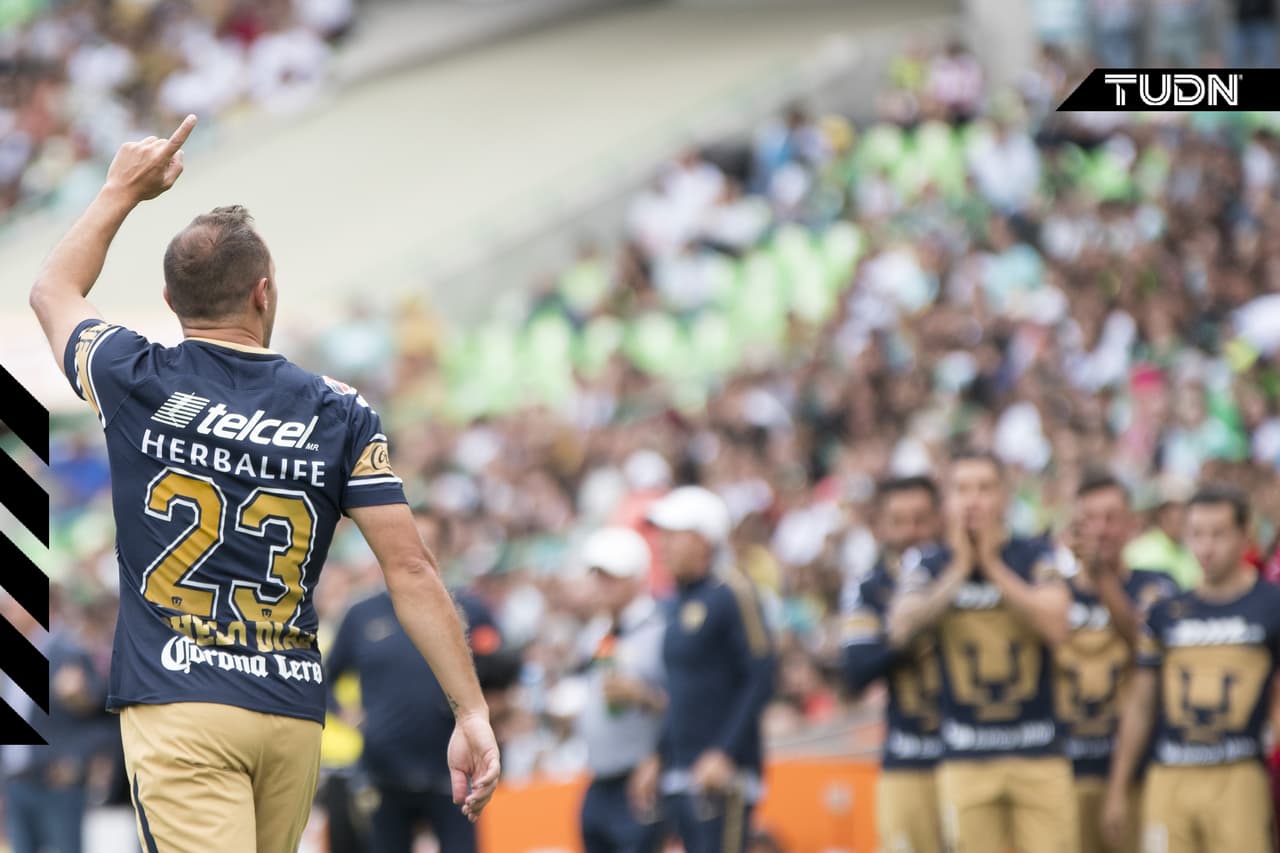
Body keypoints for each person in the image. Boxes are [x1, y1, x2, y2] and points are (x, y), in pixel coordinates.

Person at [27, 116, 500, 852]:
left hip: (180, 700)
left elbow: (54, 288)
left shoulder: (131, 377)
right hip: (287, 711)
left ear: (169, 296)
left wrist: (121, 190)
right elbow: (410, 568)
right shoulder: (340, 409)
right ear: (262, 291)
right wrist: (470, 711)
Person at [887, 450, 1078, 853]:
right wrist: (959, 569)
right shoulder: (929, 561)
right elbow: (902, 627)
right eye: (962, 490)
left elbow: (1056, 625)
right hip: (965, 756)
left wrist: (992, 565)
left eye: (985, 489)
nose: (973, 501)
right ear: (947, 502)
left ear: (1005, 497)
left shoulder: (1035, 554)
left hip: (1038, 752)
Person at [1103, 485, 1280, 853]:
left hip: (1239, 771)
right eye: (1197, 534)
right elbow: (1141, 704)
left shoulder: (1270, 605)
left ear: (1244, 535)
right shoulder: (1166, 613)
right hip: (1170, 774)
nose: (1207, 547)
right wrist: (1118, 787)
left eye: (1219, 534)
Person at [630, 486, 775, 853]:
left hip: (722, 774)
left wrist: (725, 752)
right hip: (681, 770)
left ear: (703, 539)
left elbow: (761, 675)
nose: (661, 546)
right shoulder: (675, 602)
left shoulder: (733, 592)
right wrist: (658, 755)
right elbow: (678, 691)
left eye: (672, 535)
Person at [325, 566, 509, 853]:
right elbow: (325, 677)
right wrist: (349, 715)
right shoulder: (362, 613)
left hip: (454, 771)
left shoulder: (466, 607)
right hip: (384, 771)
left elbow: (504, 669)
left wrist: (487, 711)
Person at [1056, 473, 1178, 853]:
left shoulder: (1156, 585)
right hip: (1066, 772)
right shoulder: (1052, 595)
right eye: (1090, 519)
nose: (1101, 530)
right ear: (1073, 530)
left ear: (1131, 525)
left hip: (1139, 774)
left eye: (1111, 518)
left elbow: (1144, 645)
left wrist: (1103, 579)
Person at [842, 475, 945, 853]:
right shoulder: (871, 587)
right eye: (898, 521)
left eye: (920, 519)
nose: (910, 532)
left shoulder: (966, 575)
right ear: (880, 527)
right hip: (907, 750)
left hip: (970, 751)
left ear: (939, 520)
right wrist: (907, 632)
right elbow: (856, 671)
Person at [576, 526, 667, 853]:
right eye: (597, 575)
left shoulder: (661, 630)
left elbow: (688, 705)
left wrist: (643, 695)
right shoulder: (596, 633)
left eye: (610, 576)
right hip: (600, 777)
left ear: (635, 578)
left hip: (641, 777)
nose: (600, 585)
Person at [1, 592, 106, 853]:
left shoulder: (67, 653)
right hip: (16, 783)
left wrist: (76, 760)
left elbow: (102, 716)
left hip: (56, 783)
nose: (5, 608)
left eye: (12, 601)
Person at [1124, 484, 1201, 591]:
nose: (1182, 516)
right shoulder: (1140, 550)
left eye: (1186, 509)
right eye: (1174, 510)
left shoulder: (1192, 549)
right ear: (1162, 515)